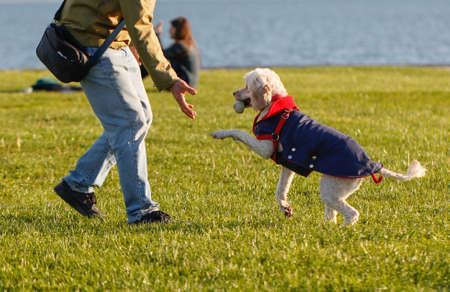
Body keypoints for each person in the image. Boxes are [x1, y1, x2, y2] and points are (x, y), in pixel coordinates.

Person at [53, 0, 197, 224]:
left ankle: (78, 185)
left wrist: (128, 44)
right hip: (95, 45)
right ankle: (142, 211)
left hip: (111, 41)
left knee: (139, 119)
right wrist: (170, 79)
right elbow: (141, 24)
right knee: (130, 122)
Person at [140, 17, 201, 88]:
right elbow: (162, 54)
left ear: (178, 30)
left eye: (172, 28)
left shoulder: (180, 47)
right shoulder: (189, 45)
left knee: (151, 62)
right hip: (189, 83)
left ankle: (134, 79)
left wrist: (156, 35)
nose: (169, 31)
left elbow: (160, 56)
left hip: (183, 83)